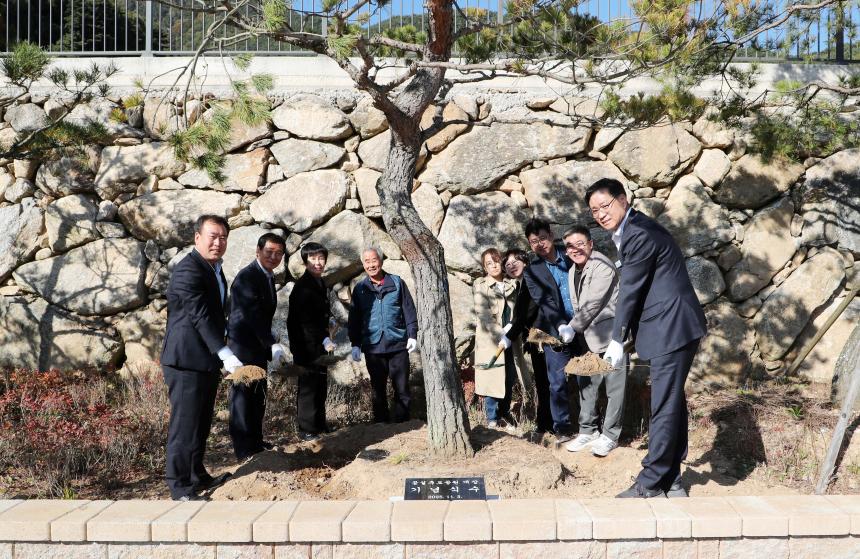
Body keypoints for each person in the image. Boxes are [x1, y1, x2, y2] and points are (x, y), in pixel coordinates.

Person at [586, 178, 707, 498]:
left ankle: (650, 481)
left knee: (663, 402)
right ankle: (672, 479)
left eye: (605, 205)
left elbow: (630, 290)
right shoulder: (634, 228)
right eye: (594, 210)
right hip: (673, 325)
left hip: (671, 326)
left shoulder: (638, 233)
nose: (600, 214)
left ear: (623, 199)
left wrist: (616, 339)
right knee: (671, 400)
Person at [160, 214, 236, 501]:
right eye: (213, 236)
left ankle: (196, 473)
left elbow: (217, 315)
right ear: (197, 238)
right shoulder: (188, 270)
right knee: (185, 423)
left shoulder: (214, 269)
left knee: (202, 421)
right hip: (185, 360)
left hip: (205, 360)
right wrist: (224, 351)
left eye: (223, 237)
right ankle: (179, 485)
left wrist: (224, 347)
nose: (218, 242)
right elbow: (199, 316)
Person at [504, 218, 576, 443]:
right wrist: (511, 333)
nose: (540, 244)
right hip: (544, 334)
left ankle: (574, 425)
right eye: (534, 241)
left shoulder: (571, 255)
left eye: (543, 238)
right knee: (550, 383)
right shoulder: (532, 273)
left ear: (552, 235)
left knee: (576, 379)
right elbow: (533, 306)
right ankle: (553, 426)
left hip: (573, 326)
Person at [559, 225, 626, 458]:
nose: (575, 249)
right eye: (570, 246)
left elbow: (593, 304)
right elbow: (578, 305)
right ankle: (588, 431)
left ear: (590, 244)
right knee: (587, 386)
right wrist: (573, 328)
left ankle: (610, 435)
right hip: (587, 338)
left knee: (614, 389)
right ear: (566, 250)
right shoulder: (572, 271)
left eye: (580, 243)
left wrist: (572, 326)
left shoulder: (603, 267)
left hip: (611, 337)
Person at [226, 232, 291, 461]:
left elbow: (262, 315)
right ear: (258, 251)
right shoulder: (248, 277)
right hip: (242, 345)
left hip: (257, 344)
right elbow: (251, 314)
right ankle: (243, 448)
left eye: (279, 253)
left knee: (258, 394)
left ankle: (255, 441)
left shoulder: (267, 276)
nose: (274, 257)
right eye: (269, 252)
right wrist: (271, 343)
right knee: (243, 395)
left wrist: (269, 337)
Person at [348, 247, 419, 423]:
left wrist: (412, 334)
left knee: (401, 386)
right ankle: (381, 423)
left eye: (374, 260)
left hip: (397, 343)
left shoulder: (397, 283)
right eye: (367, 261)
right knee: (377, 387)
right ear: (363, 265)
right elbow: (354, 318)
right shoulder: (360, 289)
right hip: (373, 346)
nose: (371, 265)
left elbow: (408, 310)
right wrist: (355, 343)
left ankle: (403, 421)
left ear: (380, 261)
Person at [287, 242, 336, 442]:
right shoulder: (302, 287)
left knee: (320, 384)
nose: (318, 263)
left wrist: (330, 319)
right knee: (308, 386)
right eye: (313, 259)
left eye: (321, 258)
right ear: (305, 262)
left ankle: (319, 423)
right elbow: (305, 322)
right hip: (305, 345)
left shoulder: (320, 282)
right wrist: (324, 338)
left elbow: (320, 313)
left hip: (318, 344)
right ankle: (307, 428)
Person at [503, 249, 551, 434]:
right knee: (542, 382)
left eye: (516, 261)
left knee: (546, 382)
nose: (511, 266)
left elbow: (527, 313)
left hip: (541, 337)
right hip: (534, 338)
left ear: (525, 261)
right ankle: (545, 423)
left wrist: (509, 336)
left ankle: (548, 424)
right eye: (507, 264)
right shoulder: (522, 284)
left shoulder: (531, 281)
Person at [473, 248, 520, 428]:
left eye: (496, 261)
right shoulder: (481, 286)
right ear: (484, 267)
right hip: (491, 341)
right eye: (489, 264)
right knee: (492, 377)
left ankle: (505, 413)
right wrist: (500, 331)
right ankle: (492, 417)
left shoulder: (512, 284)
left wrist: (512, 330)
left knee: (508, 377)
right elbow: (483, 314)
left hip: (511, 340)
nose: (493, 266)